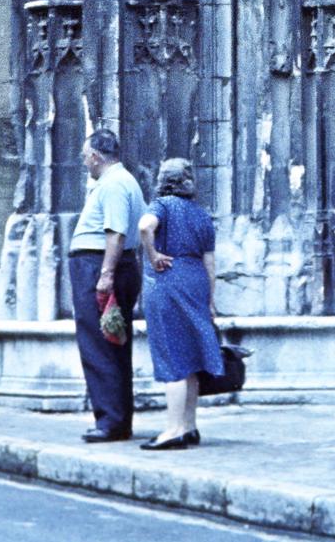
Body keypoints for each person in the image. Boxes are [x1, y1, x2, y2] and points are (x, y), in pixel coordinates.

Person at [137, 157, 221, 451]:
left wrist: (153, 255)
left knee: (172, 356)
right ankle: (189, 426)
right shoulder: (201, 215)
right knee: (192, 358)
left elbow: (145, 227)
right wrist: (210, 300)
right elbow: (210, 264)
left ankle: (172, 430)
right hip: (196, 280)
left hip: (168, 282)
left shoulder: (161, 206)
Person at [68, 128, 145, 442]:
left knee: (99, 344)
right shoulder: (121, 181)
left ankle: (110, 421)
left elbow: (115, 233)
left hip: (98, 264)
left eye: (86, 157)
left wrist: (105, 275)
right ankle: (116, 418)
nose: (85, 163)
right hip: (107, 263)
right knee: (112, 342)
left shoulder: (113, 184)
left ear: (96, 157)